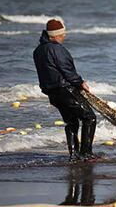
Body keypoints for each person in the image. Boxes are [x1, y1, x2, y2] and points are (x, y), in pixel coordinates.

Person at [33, 18, 97, 161]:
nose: (64, 36)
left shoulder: (38, 51)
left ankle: (74, 154)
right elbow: (66, 70)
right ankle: (86, 154)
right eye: (62, 34)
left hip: (53, 94)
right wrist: (80, 83)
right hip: (65, 91)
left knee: (72, 122)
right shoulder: (56, 49)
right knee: (90, 118)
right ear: (56, 35)